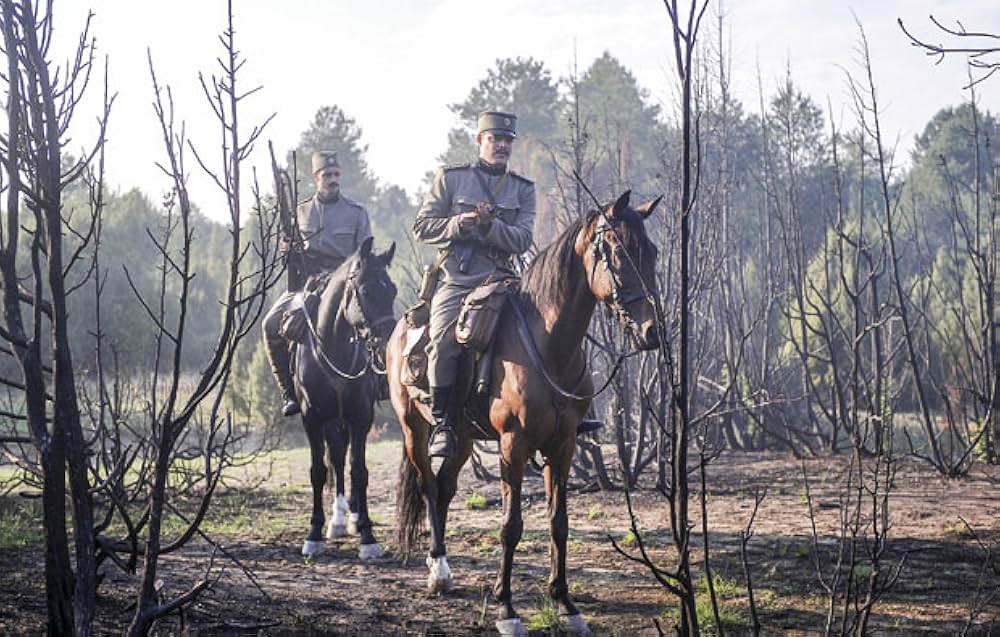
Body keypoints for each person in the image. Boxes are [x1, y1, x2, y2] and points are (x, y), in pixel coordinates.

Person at [413, 111, 535, 458]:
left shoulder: (522, 190)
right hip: (459, 279)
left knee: (544, 331)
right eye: (495, 139)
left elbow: (523, 239)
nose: (501, 146)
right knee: (443, 342)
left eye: (507, 141)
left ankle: (551, 411)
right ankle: (442, 424)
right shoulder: (451, 179)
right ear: (480, 140)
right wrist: (459, 225)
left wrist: (488, 228)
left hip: (503, 279)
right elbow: (422, 227)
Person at [262, 151, 372, 416]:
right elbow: (287, 259)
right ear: (316, 178)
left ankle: (377, 382)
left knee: (375, 320)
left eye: (336, 175)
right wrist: (286, 251)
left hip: (345, 284)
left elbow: (365, 255)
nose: (333, 180)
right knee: (271, 325)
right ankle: (289, 391)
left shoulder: (357, 213)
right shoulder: (300, 212)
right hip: (308, 285)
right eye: (327, 175)